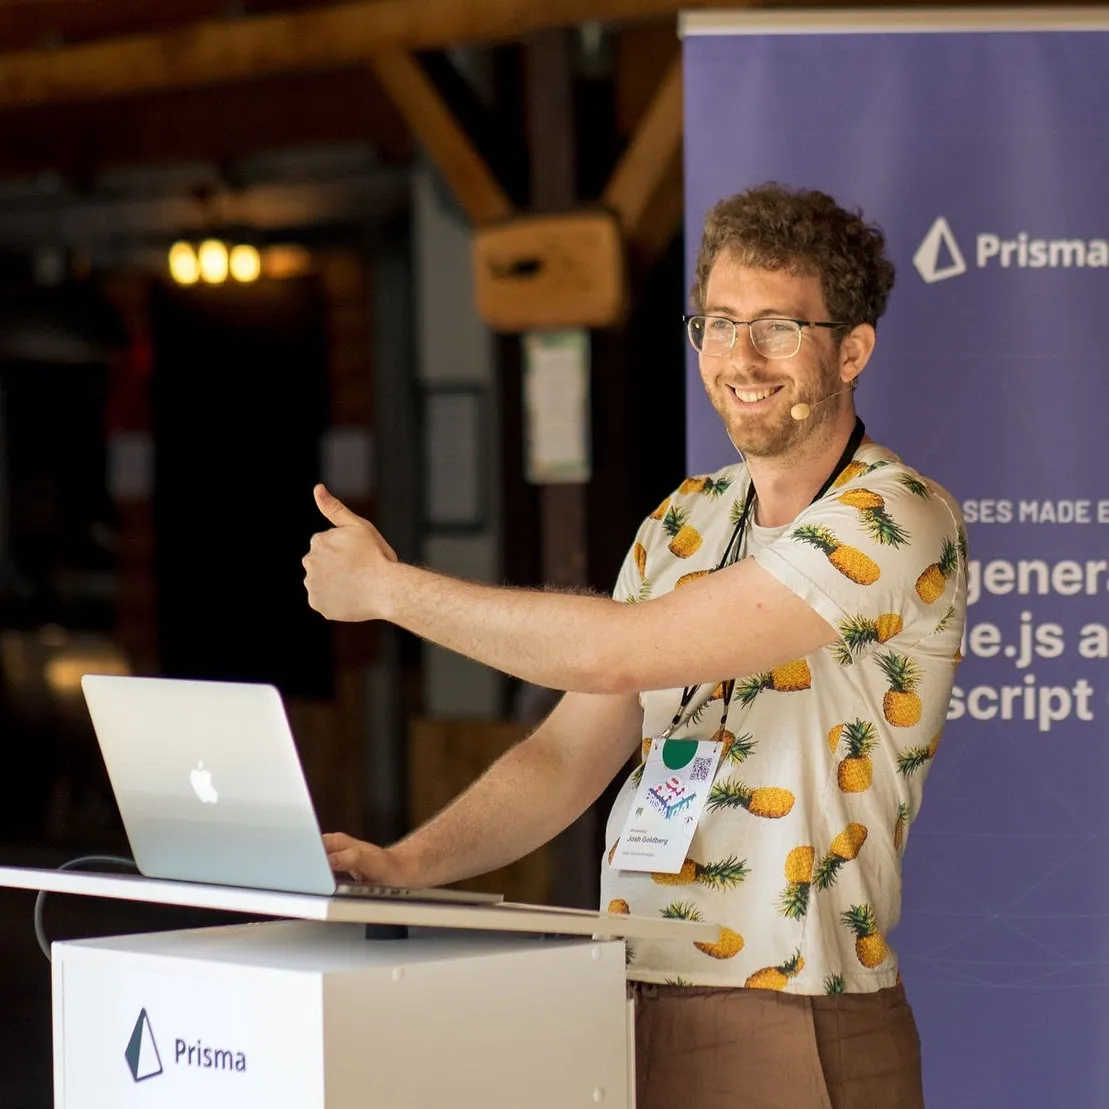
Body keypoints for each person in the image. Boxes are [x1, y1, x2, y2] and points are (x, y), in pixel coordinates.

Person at [302, 182, 968, 1109]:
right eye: (718, 322)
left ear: (851, 349)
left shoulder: (893, 514)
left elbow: (620, 652)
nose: (741, 357)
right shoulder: (683, 518)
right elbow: (569, 749)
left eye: (778, 326)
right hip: (620, 989)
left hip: (790, 1007)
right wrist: (406, 865)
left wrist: (388, 590)